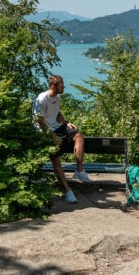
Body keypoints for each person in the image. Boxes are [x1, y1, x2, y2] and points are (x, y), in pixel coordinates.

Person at [33, 74, 91, 203]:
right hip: (44, 130)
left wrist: (66, 123)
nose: (64, 86)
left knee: (78, 135)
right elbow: (38, 119)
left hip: (56, 126)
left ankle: (79, 170)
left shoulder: (58, 97)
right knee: (56, 160)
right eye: (61, 84)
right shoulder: (42, 98)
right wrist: (53, 136)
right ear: (54, 86)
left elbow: (57, 113)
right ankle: (68, 191)